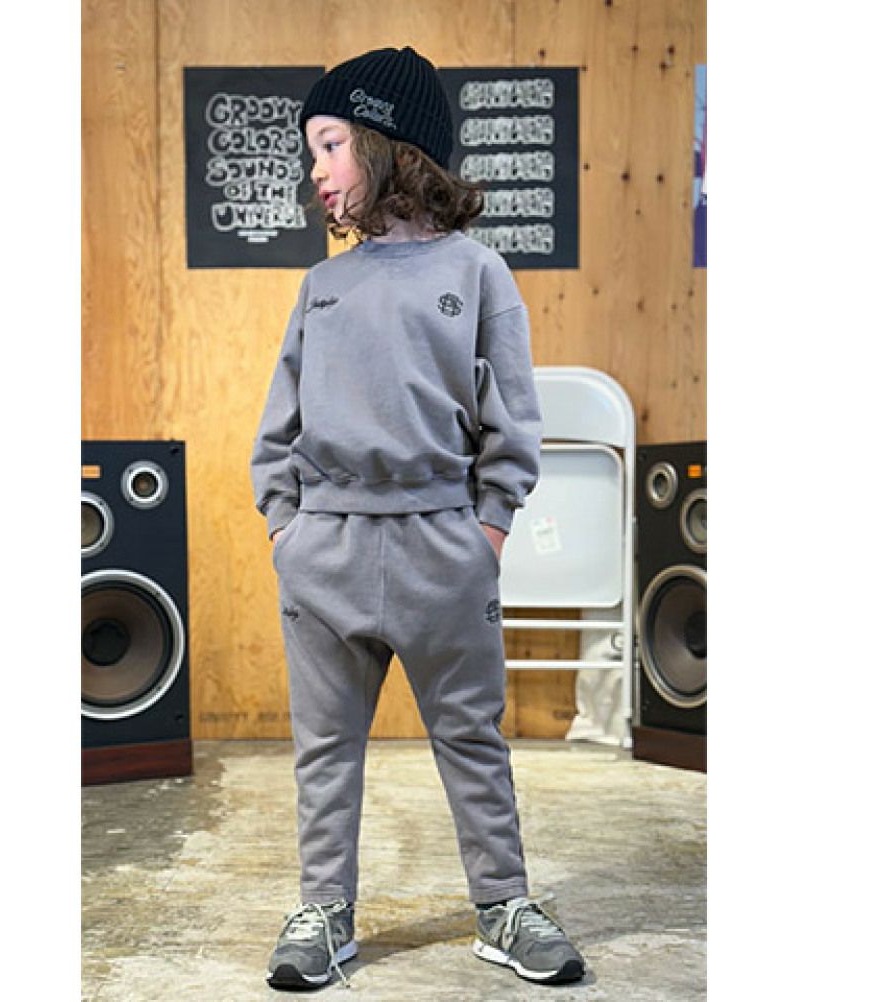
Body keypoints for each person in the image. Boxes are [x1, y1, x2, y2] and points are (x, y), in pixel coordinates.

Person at [250, 45, 586, 991]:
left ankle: (503, 905)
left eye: (329, 146)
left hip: (443, 547)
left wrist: (486, 533)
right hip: (326, 551)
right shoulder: (322, 286)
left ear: (385, 143)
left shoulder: (477, 274)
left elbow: (511, 417)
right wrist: (286, 530)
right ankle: (325, 911)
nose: (317, 172)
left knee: (473, 739)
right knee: (325, 750)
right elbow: (279, 425)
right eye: (311, 153)